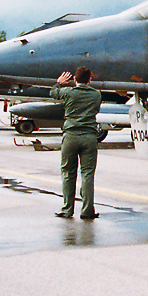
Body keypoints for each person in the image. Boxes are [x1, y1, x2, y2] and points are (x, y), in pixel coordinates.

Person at [51, 67, 102, 219]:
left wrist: (59, 83)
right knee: (87, 175)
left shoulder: (68, 92)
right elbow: (97, 109)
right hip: (89, 137)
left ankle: (67, 210)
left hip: (71, 136)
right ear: (89, 80)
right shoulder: (96, 94)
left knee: (68, 173)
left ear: (74, 80)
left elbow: (53, 93)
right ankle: (87, 211)